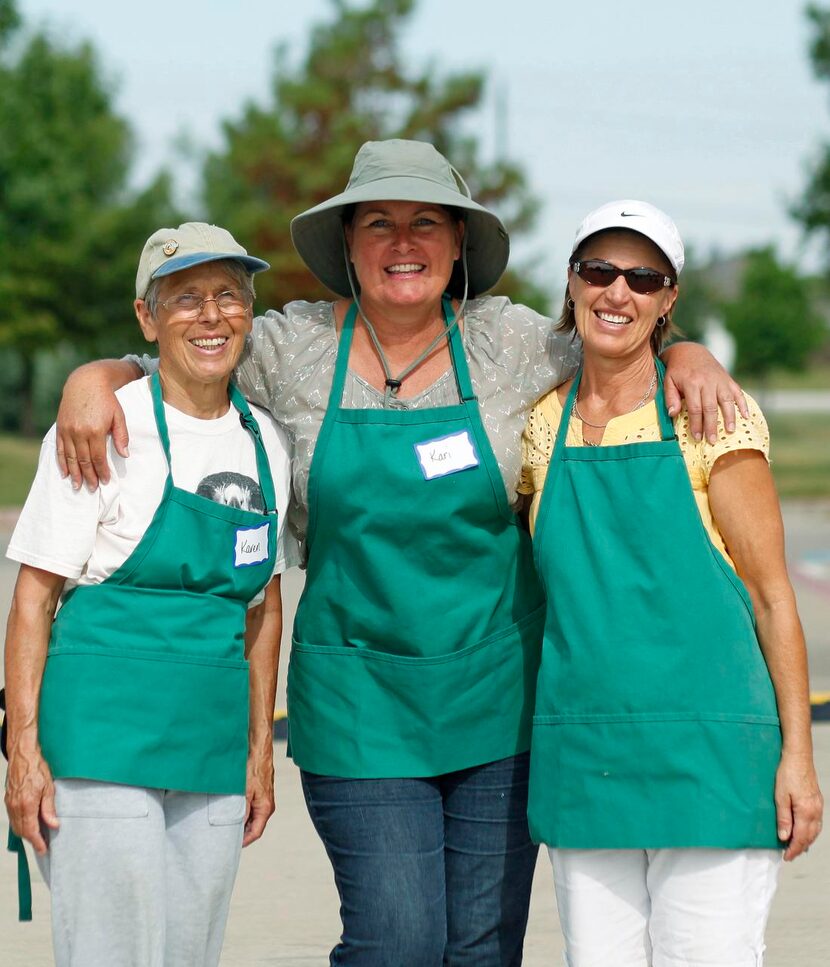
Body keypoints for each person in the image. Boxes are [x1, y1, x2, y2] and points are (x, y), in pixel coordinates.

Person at [52, 141, 744, 966]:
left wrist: (689, 352)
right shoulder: (292, 347)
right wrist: (91, 379)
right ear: (348, 244)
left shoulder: (510, 342)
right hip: (358, 703)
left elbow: (621, 343)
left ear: (458, 245)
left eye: (425, 223)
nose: (402, 242)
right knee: (398, 941)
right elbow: (174, 358)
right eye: (378, 223)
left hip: (497, 700)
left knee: (483, 947)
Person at [520, 199, 824, 967]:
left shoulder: (711, 414)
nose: (617, 292)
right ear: (572, 281)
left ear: (668, 300)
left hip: (711, 760)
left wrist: (798, 757)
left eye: (642, 277)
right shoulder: (538, 428)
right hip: (589, 761)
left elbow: (771, 595)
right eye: (599, 270)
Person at [3, 223, 298, 967]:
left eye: (229, 296)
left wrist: (260, 749)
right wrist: (23, 752)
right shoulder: (100, 428)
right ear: (146, 318)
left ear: (250, 314)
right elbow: (34, 598)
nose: (211, 315)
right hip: (102, 739)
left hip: (210, 749)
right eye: (186, 298)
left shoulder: (267, 441)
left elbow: (263, 609)